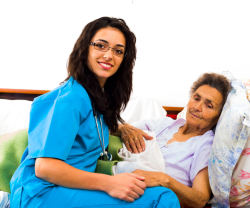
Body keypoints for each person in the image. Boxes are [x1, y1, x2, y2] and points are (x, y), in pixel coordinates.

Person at [10, 17, 180, 208]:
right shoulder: (68, 99)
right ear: (85, 49)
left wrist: (121, 128)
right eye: (101, 45)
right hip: (41, 193)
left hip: (70, 189)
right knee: (162, 198)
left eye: (118, 51)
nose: (109, 55)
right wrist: (110, 183)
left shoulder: (96, 98)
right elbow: (45, 168)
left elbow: (85, 132)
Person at [114, 73, 231, 208]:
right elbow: (112, 130)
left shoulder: (206, 144)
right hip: (119, 179)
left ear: (219, 117)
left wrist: (164, 180)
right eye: (196, 98)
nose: (197, 107)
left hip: (150, 198)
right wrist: (123, 128)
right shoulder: (164, 123)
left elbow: (200, 199)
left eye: (209, 105)